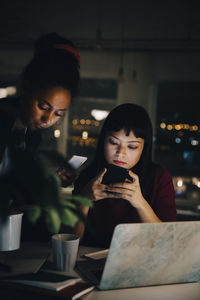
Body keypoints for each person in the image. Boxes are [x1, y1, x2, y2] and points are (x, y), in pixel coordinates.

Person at [0, 32, 80, 241]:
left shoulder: (31, 137)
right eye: (43, 106)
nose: (48, 119)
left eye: (58, 114)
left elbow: (17, 192)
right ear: (26, 88)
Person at [73, 103, 177, 247]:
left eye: (132, 146)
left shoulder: (159, 178)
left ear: (143, 148)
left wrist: (140, 203)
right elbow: (68, 242)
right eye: (114, 142)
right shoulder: (88, 177)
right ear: (103, 141)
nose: (121, 153)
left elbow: (167, 241)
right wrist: (84, 200)